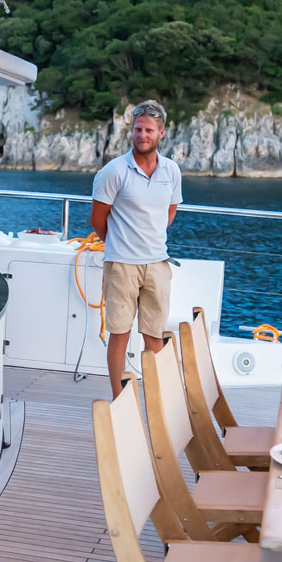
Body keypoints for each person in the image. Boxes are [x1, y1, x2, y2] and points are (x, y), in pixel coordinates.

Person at [89, 99, 181, 397]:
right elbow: (97, 220)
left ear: (161, 133)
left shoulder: (171, 171)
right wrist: (122, 243)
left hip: (157, 265)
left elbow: (169, 213)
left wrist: (147, 239)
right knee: (120, 334)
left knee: (154, 336)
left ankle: (158, 401)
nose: (143, 135)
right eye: (139, 129)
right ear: (132, 130)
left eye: (149, 130)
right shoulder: (113, 172)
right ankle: (119, 400)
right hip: (122, 265)